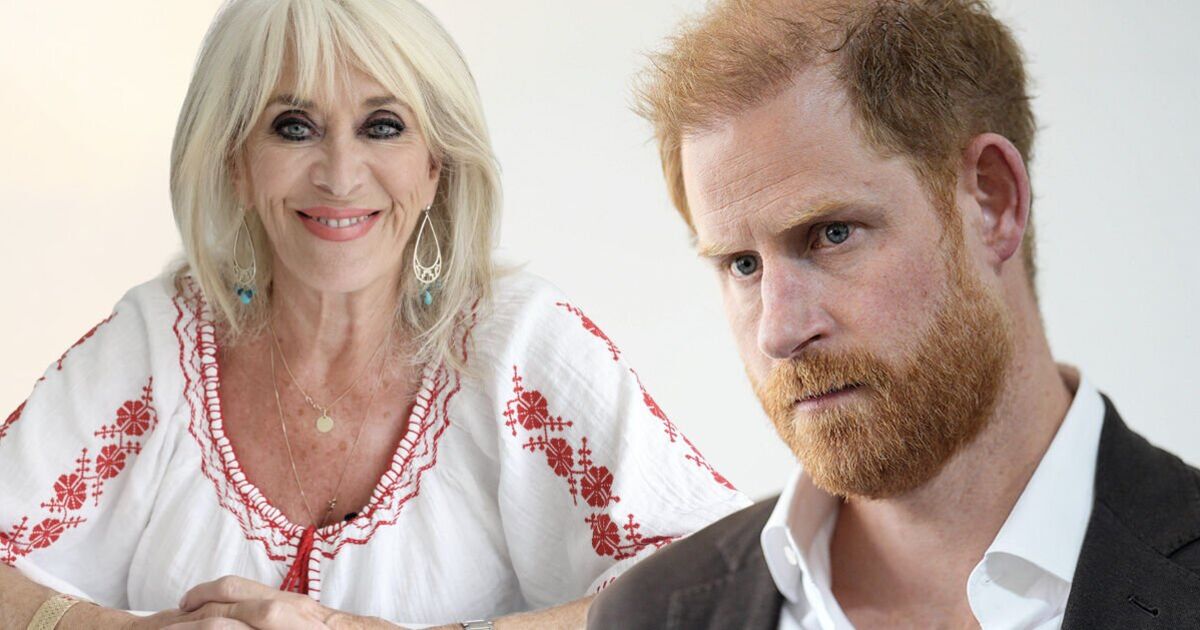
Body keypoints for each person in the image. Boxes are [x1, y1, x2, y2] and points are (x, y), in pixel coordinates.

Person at [0, 1, 748, 628]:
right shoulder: (159, 340)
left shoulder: (516, 344)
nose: (339, 175)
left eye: (382, 126)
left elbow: (725, 579)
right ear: (235, 162)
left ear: (435, 165)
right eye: (293, 126)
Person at [588, 0, 1200, 628]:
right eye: (743, 265)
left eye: (831, 234)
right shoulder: (647, 615)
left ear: (992, 203)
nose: (779, 332)